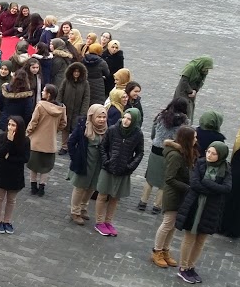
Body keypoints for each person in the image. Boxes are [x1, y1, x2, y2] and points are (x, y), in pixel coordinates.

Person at [175, 142, 232, 283]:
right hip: (194, 206)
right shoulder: (200, 163)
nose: (209, 155)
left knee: (201, 240)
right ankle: (183, 268)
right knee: (190, 237)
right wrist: (214, 190)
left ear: (221, 156)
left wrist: (207, 182)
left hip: (210, 209)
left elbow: (227, 188)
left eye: (214, 153)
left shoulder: (226, 169)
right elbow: (194, 184)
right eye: (208, 151)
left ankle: (191, 266)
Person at [151, 126, 197, 269]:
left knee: (173, 226)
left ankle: (165, 250)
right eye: (194, 137)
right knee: (167, 223)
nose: (196, 140)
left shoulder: (186, 153)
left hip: (181, 193)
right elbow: (169, 178)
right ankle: (157, 251)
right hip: (173, 194)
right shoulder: (176, 155)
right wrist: (188, 188)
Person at [95, 109, 144, 237]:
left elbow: (140, 153)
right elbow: (103, 147)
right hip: (108, 168)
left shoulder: (138, 134)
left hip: (123, 170)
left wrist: (130, 166)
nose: (126, 121)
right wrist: (106, 161)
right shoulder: (112, 129)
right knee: (102, 194)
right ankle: (99, 222)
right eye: (125, 117)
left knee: (115, 197)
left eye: (129, 119)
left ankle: (108, 222)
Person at [142, 98, 190, 214]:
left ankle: (143, 201)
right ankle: (157, 206)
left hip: (156, 149)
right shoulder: (185, 121)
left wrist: (155, 139)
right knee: (164, 179)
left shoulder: (161, 116)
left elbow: (153, 132)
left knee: (150, 176)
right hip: (170, 151)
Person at [68, 105, 108, 225]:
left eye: (104, 117)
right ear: (92, 116)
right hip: (84, 162)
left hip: (98, 164)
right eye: (99, 117)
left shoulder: (108, 128)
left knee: (92, 187)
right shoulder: (83, 126)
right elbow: (71, 142)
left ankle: (83, 207)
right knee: (80, 187)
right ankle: (75, 211)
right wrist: (75, 158)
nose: (101, 120)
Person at [25, 85, 68, 197]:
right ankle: (42, 188)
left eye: (44, 91)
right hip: (50, 143)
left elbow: (33, 123)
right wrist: (54, 130)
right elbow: (63, 124)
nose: (42, 92)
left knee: (33, 165)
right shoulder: (62, 108)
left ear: (48, 94)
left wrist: (27, 133)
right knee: (45, 167)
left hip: (36, 142)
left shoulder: (40, 106)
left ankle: (33, 187)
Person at [0, 115, 29, 234]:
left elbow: (25, 158)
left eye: (13, 125)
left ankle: (7, 221)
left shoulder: (25, 140)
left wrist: (10, 157)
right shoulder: (3, 137)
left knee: (11, 199)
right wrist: (9, 141)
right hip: (3, 171)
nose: (10, 127)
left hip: (16, 173)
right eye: (9, 124)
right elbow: (1, 153)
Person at [174, 56, 214, 121]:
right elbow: (184, 81)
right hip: (183, 91)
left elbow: (200, 82)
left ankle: (188, 125)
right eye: (206, 68)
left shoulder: (203, 72)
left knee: (190, 109)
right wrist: (190, 91)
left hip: (192, 92)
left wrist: (195, 91)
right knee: (182, 108)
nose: (206, 70)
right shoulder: (191, 68)